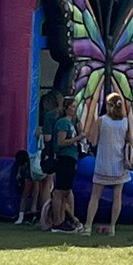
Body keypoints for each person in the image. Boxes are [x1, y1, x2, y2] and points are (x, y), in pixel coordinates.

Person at [81, 92, 133, 236]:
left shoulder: (101, 120)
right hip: (119, 164)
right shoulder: (125, 122)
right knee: (117, 196)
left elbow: (93, 141)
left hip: (103, 163)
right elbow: (131, 141)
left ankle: (88, 226)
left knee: (95, 195)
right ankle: (112, 227)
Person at [48, 97, 84, 234]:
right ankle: (57, 221)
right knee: (60, 191)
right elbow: (61, 142)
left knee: (66, 190)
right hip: (64, 158)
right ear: (67, 108)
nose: (75, 110)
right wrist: (77, 138)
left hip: (71, 158)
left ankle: (63, 219)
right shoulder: (63, 123)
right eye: (73, 107)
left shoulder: (72, 123)